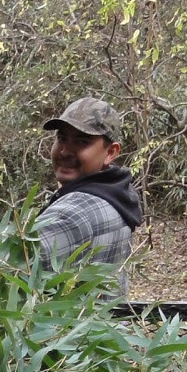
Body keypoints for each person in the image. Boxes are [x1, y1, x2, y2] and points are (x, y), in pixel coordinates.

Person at [35, 98, 141, 292]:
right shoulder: (116, 194)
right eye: (62, 138)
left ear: (110, 152)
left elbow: (5, 262)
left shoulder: (75, 212)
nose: (65, 151)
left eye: (82, 142)